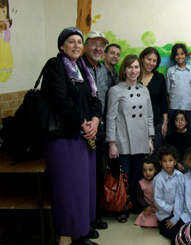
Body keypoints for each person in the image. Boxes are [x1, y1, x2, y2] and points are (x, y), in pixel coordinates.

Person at [41, 27, 102, 245]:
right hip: (64, 139)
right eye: (71, 42)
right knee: (69, 189)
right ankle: (65, 238)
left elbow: (95, 99)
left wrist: (95, 120)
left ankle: (80, 234)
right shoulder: (55, 66)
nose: (76, 45)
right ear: (61, 46)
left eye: (79, 42)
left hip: (84, 137)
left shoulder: (82, 69)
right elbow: (61, 100)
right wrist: (82, 123)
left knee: (84, 187)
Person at [106, 54, 154, 221]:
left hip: (141, 139)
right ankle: (122, 206)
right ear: (124, 70)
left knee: (137, 175)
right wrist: (112, 143)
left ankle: (135, 203)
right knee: (124, 175)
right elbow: (110, 117)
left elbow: (149, 116)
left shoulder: (144, 89)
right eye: (130, 67)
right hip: (123, 140)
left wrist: (150, 139)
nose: (133, 71)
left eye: (136, 67)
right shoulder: (115, 90)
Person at [82, 30, 111, 235]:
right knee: (83, 176)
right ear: (86, 45)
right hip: (82, 130)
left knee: (97, 174)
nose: (98, 48)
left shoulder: (103, 70)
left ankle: (94, 214)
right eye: (94, 44)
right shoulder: (76, 67)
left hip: (99, 129)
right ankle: (84, 220)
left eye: (101, 45)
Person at [140, 47, 169, 152]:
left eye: (154, 61)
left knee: (155, 155)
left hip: (156, 123)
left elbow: (164, 102)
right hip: (137, 124)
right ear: (142, 58)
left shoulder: (159, 78)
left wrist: (165, 122)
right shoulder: (134, 76)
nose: (151, 63)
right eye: (148, 59)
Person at [166, 43, 191, 131]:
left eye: (182, 54)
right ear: (174, 56)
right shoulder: (170, 71)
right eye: (177, 54)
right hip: (174, 107)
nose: (179, 56)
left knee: (190, 131)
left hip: (189, 108)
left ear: (186, 55)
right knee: (173, 131)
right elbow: (168, 91)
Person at [153, 144, 183, 240]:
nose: (168, 164)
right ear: (160, 163)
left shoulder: (180, 175)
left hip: (180, 212)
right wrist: (171, 209)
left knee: (187, 229)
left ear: (175, 161)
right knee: (173, 233)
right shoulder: (158, 179)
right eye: (164, 161)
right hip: (165, 215)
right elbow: (158, 200)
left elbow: (184, 194)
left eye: (170, 160)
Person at [135, 157, 159, 227]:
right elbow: (139, 197)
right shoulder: (141, 183)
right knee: (146, 221)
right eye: (144, 170)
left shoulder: (159, 180)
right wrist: (145, 205)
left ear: (155, 170)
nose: (147, 173)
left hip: (159, 208)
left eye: (150, 170)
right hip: (148, 208)